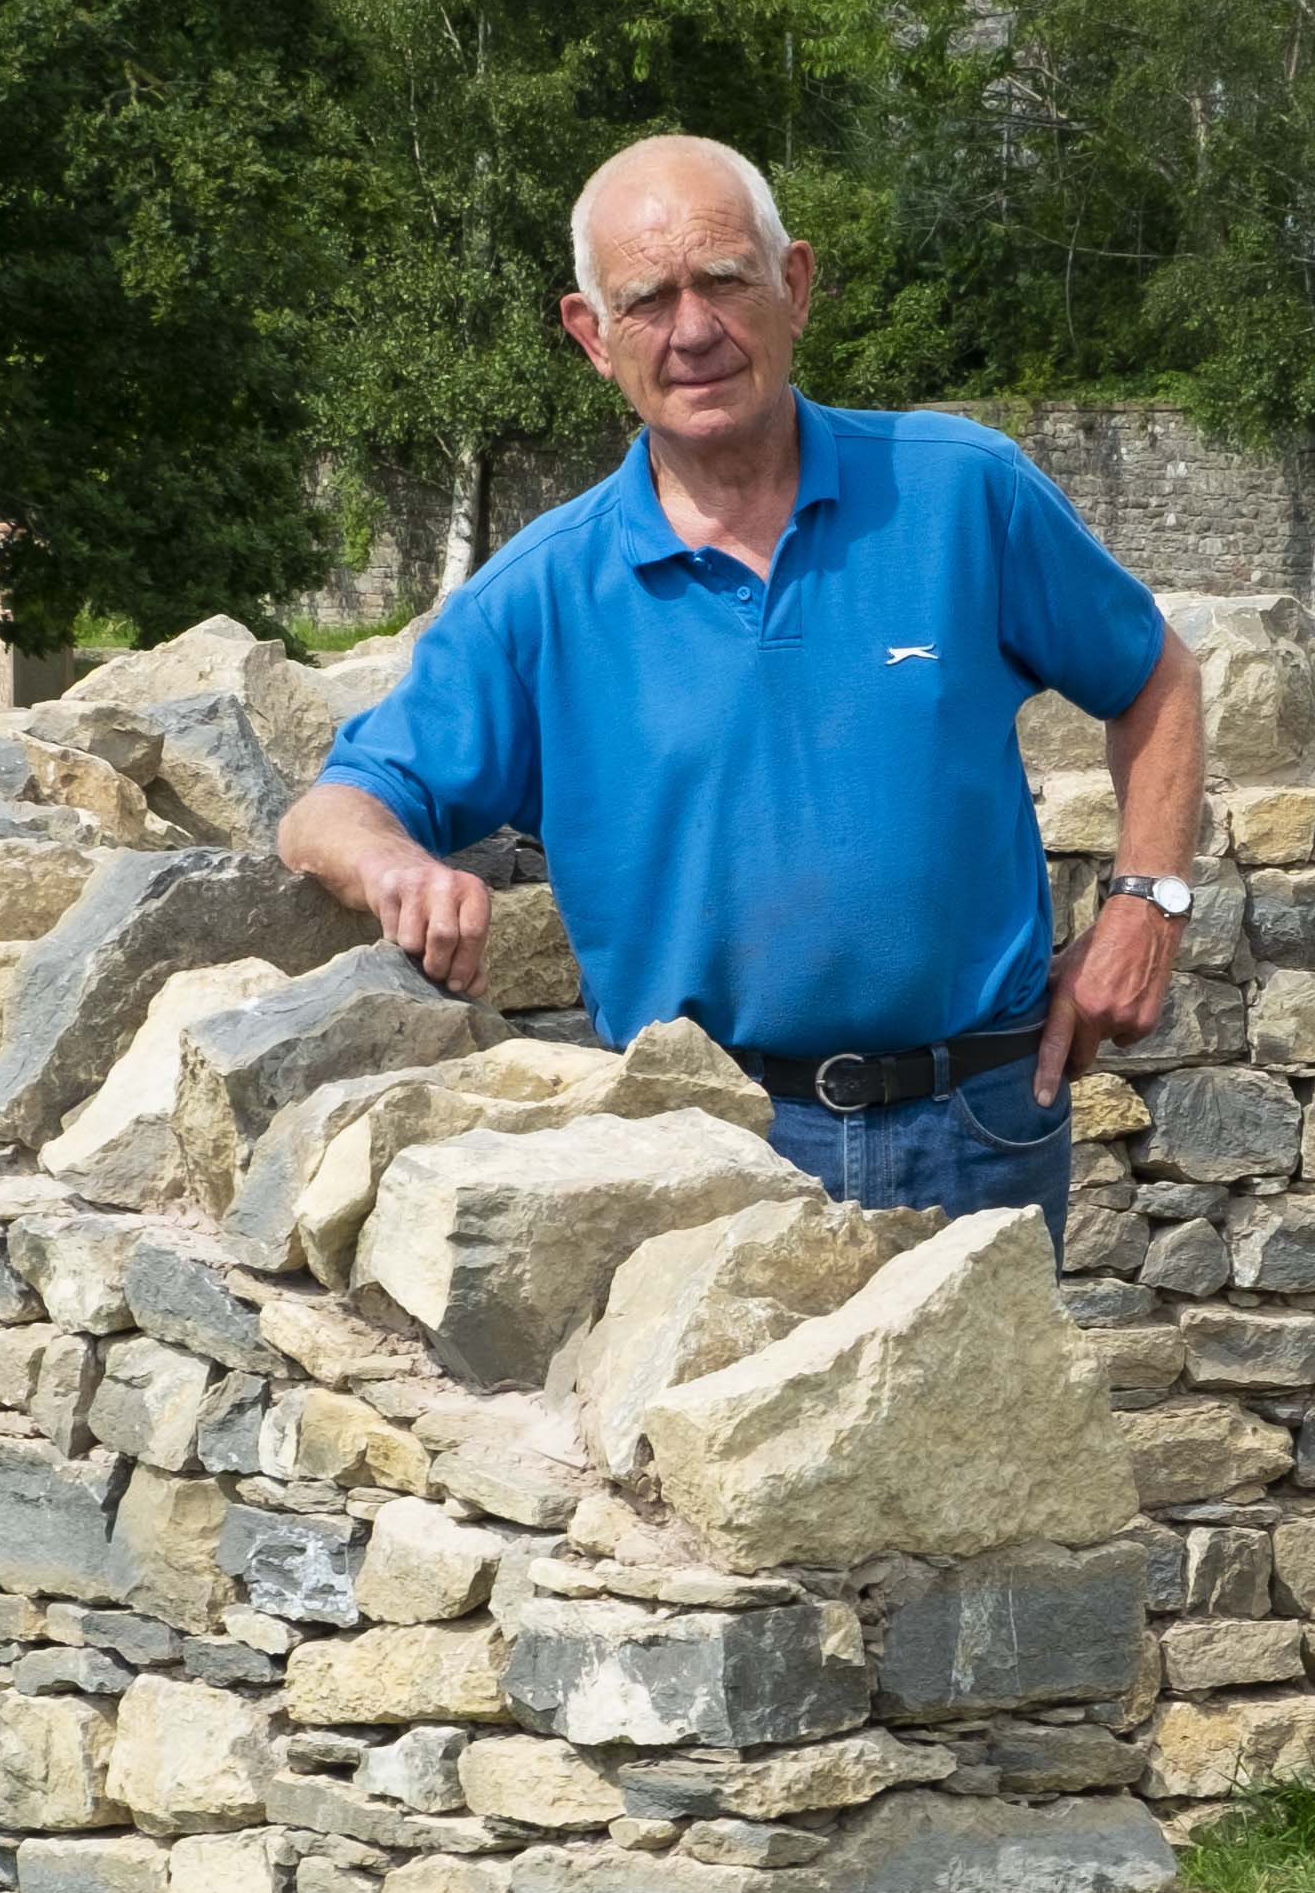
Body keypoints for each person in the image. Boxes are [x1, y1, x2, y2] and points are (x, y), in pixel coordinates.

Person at [279, 134, 1208, 1250]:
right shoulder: (541, 594)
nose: (694, 330)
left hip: (980, 1123)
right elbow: (335, 806)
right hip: (703, 1150)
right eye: (648, 300)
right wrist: (397, 866)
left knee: (973, 1434)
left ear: (795, 286)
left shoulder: (961, 492)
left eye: (724, 279)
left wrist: (1147, 903)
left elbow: (1155, 676)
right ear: (591, 336)